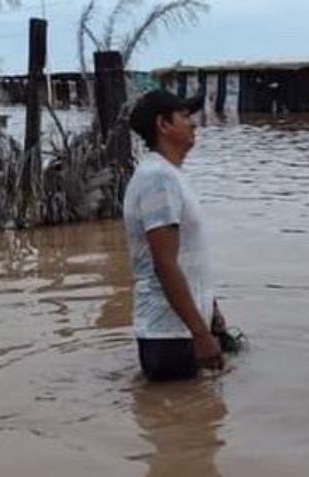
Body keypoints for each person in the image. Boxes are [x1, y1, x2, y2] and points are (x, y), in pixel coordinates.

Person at [123, 89, 227, 381]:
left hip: (182, 329)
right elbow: (165, 264)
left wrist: (212, 310)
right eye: (184, 116)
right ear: (163, 125)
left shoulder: (170, 175)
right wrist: (200, 334)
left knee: (194, 420)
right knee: (188, 422)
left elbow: (190, 255)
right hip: (170, 335)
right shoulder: (158, 179)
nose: (193, 123)